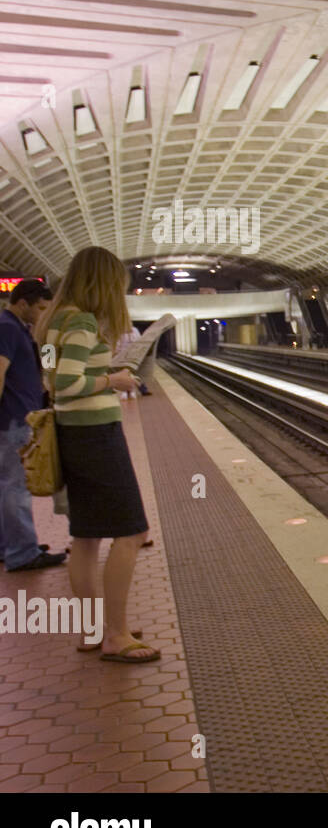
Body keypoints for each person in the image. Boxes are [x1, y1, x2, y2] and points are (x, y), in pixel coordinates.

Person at [36, 246, 157, 663]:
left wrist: (98, 375)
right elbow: (65, 384)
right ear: (104, 283)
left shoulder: (54, 321)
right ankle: (117, 636)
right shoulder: (84, 321)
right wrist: (114, 379)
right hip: (96, 438)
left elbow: (50, 379)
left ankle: (94, 630)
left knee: (85, 537)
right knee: (130, 532)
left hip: (73, 435)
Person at [0, 278, 67, 572]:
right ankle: (22, 553)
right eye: (40, 308)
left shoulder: (21, 329)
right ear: (22, 303)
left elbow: (42, 364)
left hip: (19, 417)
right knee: (16, 487)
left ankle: (11, 545)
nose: (42, 313)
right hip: (13, 420)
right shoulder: (7, 328)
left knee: (8, 486)